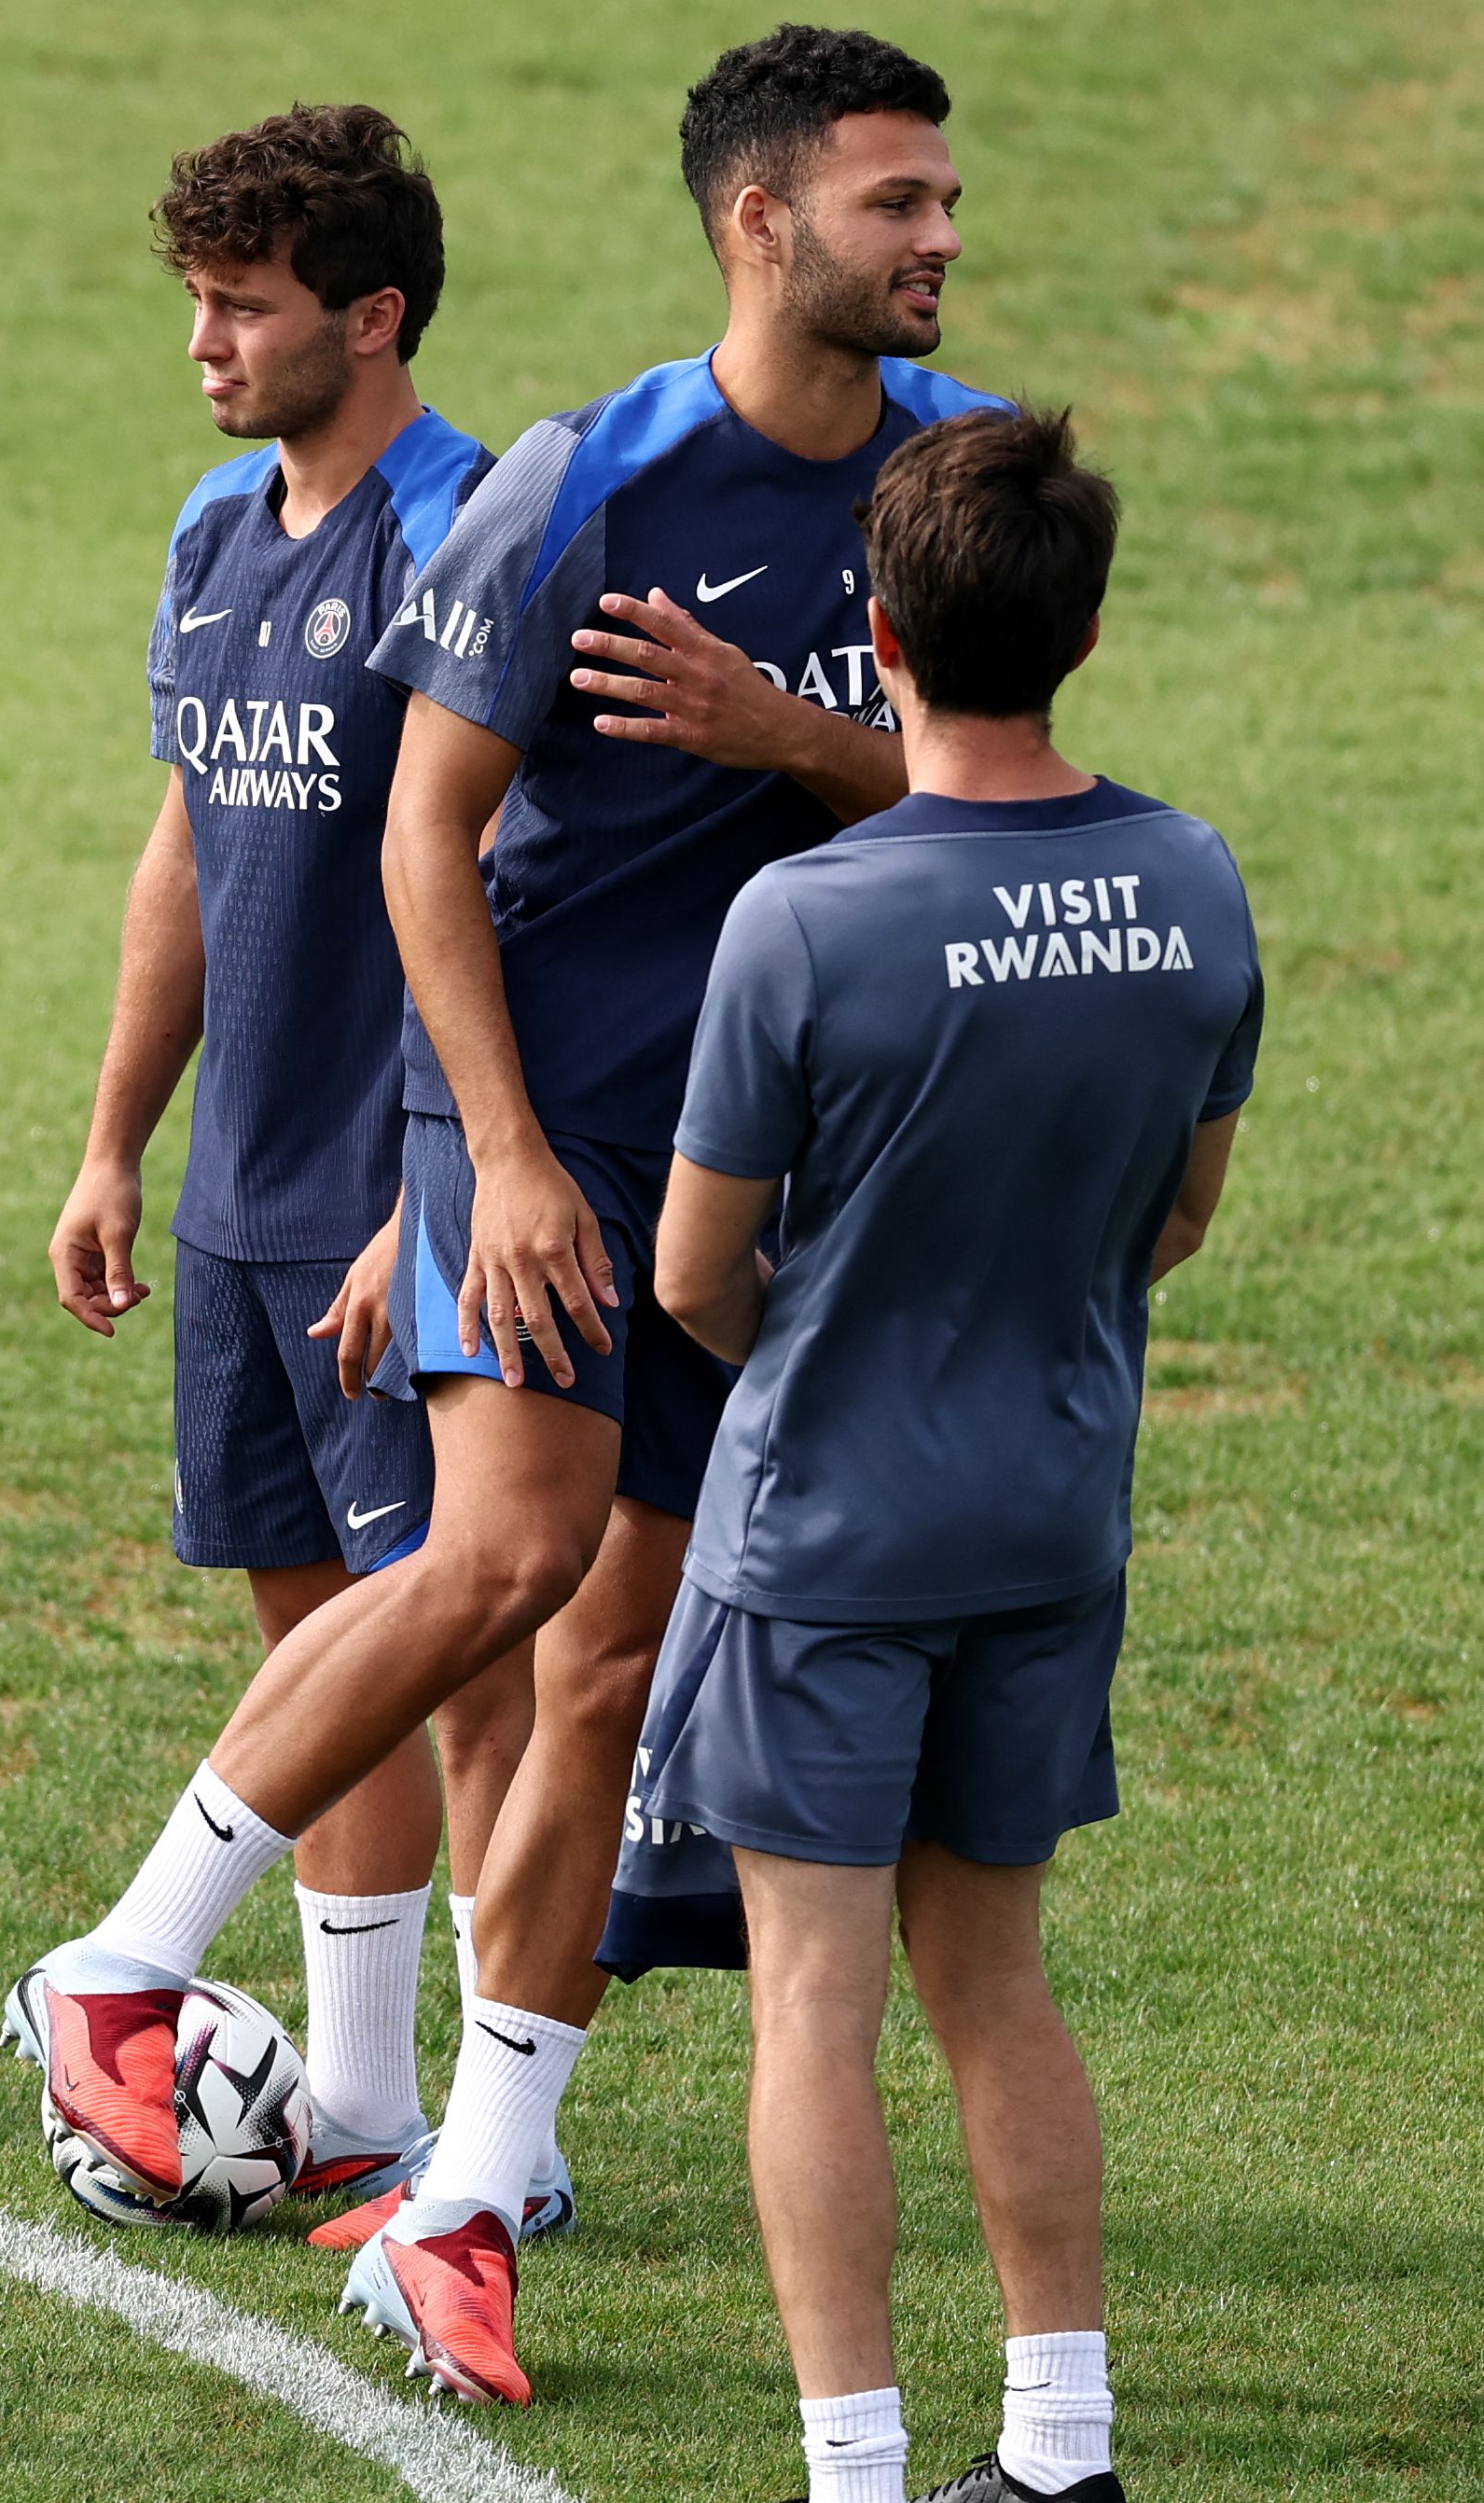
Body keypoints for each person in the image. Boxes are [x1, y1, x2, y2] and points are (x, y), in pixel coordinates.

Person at [14, 25, 1006, 2402]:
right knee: (494, 1565)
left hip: (760, 1176)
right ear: (762, 221)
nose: (943, 239)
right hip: (530, 1137)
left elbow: (994, 781)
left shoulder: (955, 480)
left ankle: (463, 2191)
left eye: (947, 201)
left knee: (597, 1659)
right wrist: (501, 1152)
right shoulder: (590, 479)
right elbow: (421, 836)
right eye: (901, 203)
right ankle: (131, 1957)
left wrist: (803, 744)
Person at [631, 408, 1245, 2503]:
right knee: (995, 1975)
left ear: (871, 632)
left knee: (811, 1999)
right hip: (1056, 1506)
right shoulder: (1188, 878)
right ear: (1080, 626)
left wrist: (827, 1329)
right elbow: (1182, 1209)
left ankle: (856, 2469)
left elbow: (696, 1270)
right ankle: (1062, 2449)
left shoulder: (807, 919)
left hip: (829, 1528)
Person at [36, 103, 533, 2210]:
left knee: (468, 1663)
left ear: (376, 313)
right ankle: (365, 2104)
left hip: (394, 1197)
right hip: (241, 1196)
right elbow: (185, 851)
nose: (209, 345)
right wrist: (111, 1142)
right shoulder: (212, 527)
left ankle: (517, 2139)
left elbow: (514, 885)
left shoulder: (470, 527)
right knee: (310, 1650)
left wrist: (441, 1194)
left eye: (246, 308)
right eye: (200, 306)